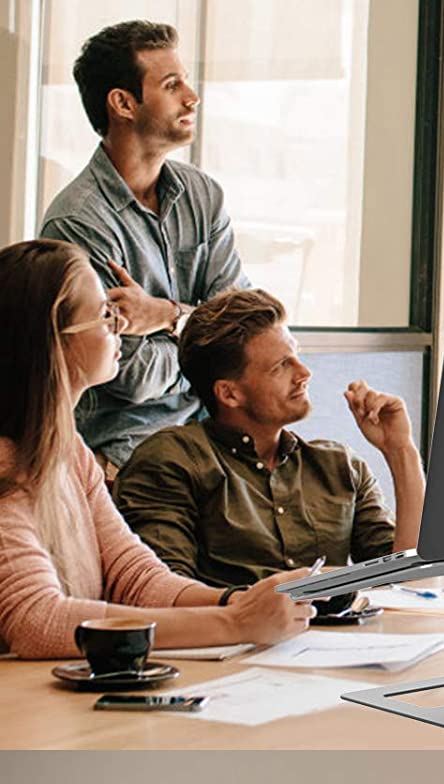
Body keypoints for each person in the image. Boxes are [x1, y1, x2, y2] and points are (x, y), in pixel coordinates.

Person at [0, 240, 310, 658]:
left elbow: (137, 578)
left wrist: (236, 601)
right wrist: (234, 623)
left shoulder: (70, 451)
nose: (120, 324)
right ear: (55, 340)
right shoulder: (6, 463)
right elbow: (39, 621)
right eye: (103, 313)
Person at [39, 20, 248, 470]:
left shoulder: (202, 196)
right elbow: (129, 376)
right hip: (127, 458)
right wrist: (207, 346)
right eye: (172, 84)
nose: (192, 97)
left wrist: (167, 316)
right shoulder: (79, 222)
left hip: (214, 443)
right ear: (123, 104)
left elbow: (247, 330)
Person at [115, 288, 425, 590]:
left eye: (296, 356)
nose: (304, 373)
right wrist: (293, 593)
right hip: (233, 640)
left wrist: (400, 451)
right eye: (281, 366)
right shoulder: (171, 460)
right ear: (229, 393)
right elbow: (165, 592)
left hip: (339, 640)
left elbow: (407, 579)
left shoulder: (340, 466)